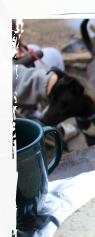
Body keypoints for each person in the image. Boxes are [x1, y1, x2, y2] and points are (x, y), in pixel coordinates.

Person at [0, 0, 78, 141]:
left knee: (34, 48)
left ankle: (32, 116)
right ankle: (52, 127)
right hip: (4, 91)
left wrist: (12, 48)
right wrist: (44, 82)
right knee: (53, 55)